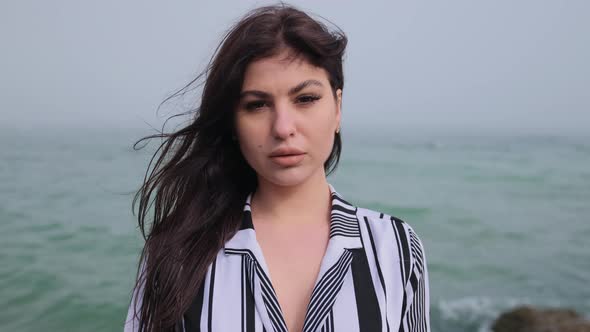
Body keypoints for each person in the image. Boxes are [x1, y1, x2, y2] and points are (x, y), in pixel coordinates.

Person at [125, 3, 430, 332]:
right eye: (257, 105)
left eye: (305, 99)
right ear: (233, 122)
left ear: (337, 107)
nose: (283, 127)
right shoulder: (177, 252)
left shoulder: (395, 247)